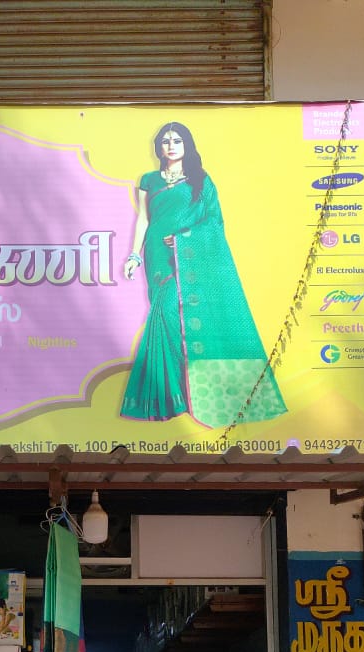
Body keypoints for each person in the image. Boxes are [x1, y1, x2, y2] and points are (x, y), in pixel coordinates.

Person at [121, 121, 286, 428]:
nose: (171, 146)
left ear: (187, 146)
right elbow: (143, 219)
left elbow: (214, 222)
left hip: (189, 256)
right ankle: (173, 397)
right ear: (159, 147)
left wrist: (185, 238)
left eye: (177, 140)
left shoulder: (201, 181)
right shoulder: (149, 180)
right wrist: (134, 254)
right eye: (166, 141)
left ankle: (183, 394)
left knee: (174, 315)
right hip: (158, 257)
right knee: (167, 318)